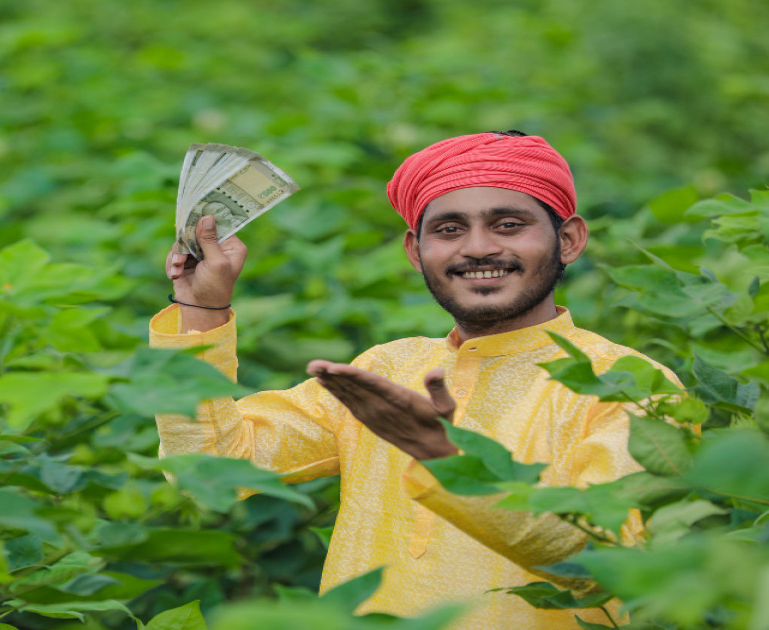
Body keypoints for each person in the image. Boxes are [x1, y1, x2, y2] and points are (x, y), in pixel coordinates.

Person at [152, 131, 675, 629]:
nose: (478, 248)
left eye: (508, 225)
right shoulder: (387, 368)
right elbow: (209, 470)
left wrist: (449, 463)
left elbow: (611, 564)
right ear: (414, 250)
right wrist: (201, 309)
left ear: (568, 240)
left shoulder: (629, 383)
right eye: (448, 230)